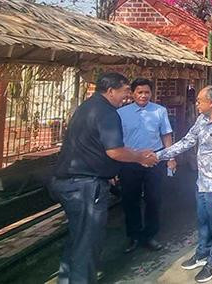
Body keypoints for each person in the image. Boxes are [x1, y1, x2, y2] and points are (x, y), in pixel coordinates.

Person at [50, 73, 157, 284]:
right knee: (88, 242)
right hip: (85, 186)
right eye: (125, 92)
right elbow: (115, 151)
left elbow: (92, 147)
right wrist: (140, 157)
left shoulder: (87, 107)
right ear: (110, 91)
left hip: (69, 182)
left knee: (78, 238)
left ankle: (67, 280)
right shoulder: (107, 112)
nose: (127, 97)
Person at [155, 86, 212, 283]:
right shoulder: (202, 119)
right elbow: (187, 141)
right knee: (202, 221)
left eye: (200, 100)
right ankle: (202, 253)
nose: (197, 103)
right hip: (202, 181)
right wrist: (158, 155)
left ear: (211, 103)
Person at [117, 78, 175, 253]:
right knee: (130, 199)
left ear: (151, 93)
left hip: (153, 159)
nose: (143, 96)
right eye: (139, 92)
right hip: (130, 161)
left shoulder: (159, 111)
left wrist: (170, 157)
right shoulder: (121, 113)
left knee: (154, 199)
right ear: (132, 93)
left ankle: (150, 235)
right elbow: (116, 140)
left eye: (147, 92)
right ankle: (134, 235)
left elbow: (166, 135)